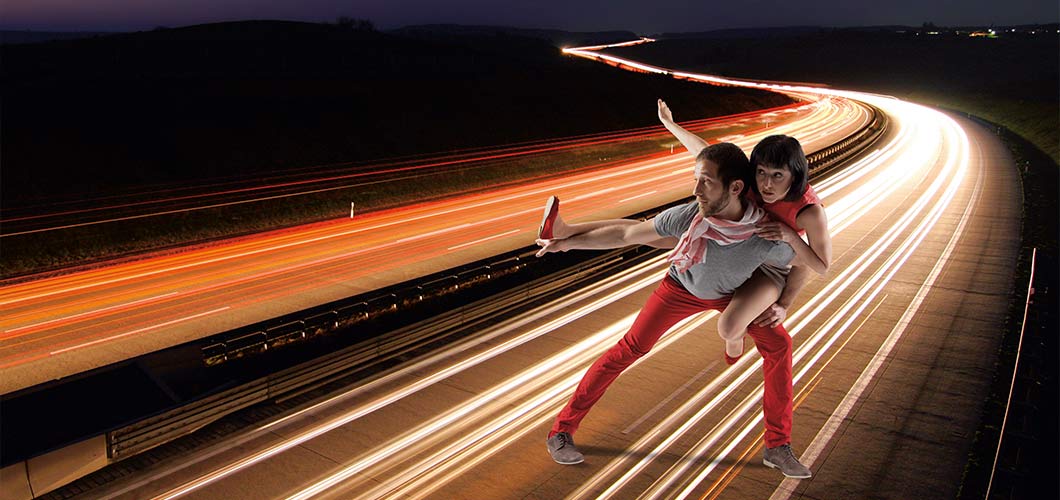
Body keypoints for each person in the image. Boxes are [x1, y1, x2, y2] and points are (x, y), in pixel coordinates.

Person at [536, 142, 813, 479]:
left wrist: (784, 306)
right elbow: (627, 233)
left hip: (732, 296)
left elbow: (801, 263)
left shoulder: (765, 235)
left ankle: (777, 447)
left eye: (706, 182)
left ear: (736, 187)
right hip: (680, 288)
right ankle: (561, 431)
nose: (696, 190)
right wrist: (565, 244)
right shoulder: (688, 215)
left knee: (780, 345)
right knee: (628, 350)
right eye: (696, 179)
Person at [541, 100, 831, 364]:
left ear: (795, 175)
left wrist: (785, 289)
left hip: (772, 262)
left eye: (777, 176)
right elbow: (704, 152)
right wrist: (671, 125)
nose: (767, 185)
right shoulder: (755, 182)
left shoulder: (809, 211)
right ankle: (566, 232)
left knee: (729, 326)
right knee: (646, 232)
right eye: (762, 174)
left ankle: (734, 344)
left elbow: (818, 265)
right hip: (738, 241)